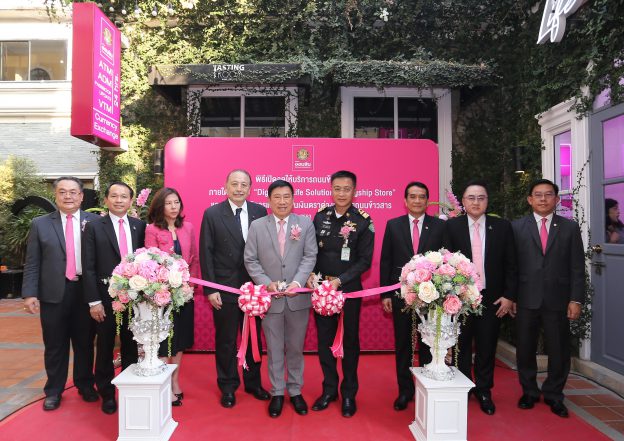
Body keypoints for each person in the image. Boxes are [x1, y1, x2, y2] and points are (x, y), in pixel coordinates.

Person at [22, 177, 99, 411]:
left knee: (85, 343)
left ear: (81, 196)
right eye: (63, 192)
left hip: (85, 292)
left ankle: (85, 385)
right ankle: (54, 390)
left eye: (73, 192)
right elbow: (32, 262)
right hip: (53, 293)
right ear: (55, 195)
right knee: (55, 344)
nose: (68, 196)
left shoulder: (95, 222)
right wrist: (29, 293)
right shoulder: (40, 224)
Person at [244, 179, 318, 418]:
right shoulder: (257, 226)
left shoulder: (305, 224)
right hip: (271, 299)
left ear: (293, 199)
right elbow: (250, 260)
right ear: (269, 200)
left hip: (298, 300)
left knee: (295, 348)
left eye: (287, 196)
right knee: (274, 349)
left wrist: (298, 282)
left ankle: (295, 391)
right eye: (277, 197)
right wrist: (267, 283)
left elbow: (310, 256)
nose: (282, 201)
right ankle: (277, 392)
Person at [512, 178, 585, 418]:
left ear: (556, 199)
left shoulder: (569, 228)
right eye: (538, 195)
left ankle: (554, 394)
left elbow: (577, 267)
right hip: (525, 298)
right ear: (529, 199)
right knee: (525, 348)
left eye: (548, 194)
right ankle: (529, 392)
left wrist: (576, 299)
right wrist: (510, 296)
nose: (543, 199)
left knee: (559, 349)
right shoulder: (516, 227)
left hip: (558, 299)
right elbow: (511, 267)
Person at [444, 180, 517, 415]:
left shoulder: (502, 227)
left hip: (492, 299)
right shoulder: (451, 227)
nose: (476, 202)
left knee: (487, 346)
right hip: (461, 299)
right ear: (463, 202)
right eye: (471, 198)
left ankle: (484, 390)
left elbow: (511, 264)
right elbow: (445, 262)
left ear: (487, 201)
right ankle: (463, 387)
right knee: (461, 346)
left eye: (481, 198)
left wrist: (509, 296)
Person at [199, 169, 270, 408]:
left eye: (244, 185)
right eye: (235, 184)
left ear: (250, 188)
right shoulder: (212, 214)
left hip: (254, 288)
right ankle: (228, 386)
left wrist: (266, 283)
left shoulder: (260, 211)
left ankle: (253, 383)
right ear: (226, 186)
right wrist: (211, 289)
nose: (239, 189)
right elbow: (206, 252)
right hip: (224, 287)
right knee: (226, 340)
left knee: (253, 339)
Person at [307, 170, 374, 417]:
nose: (342, 193)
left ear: (354, 191)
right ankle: (329, 390)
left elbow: (365, 261)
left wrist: (340, 281)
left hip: (349, 292)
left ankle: (348, 394)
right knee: (325, 342)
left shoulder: (363, 220)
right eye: (337, 188)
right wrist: (310, 274)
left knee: (349, 343)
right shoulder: (320, 216)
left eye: (346, 189)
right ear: (331, 190)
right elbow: (311, 252)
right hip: (322, 291)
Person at [379, 181, 446, 411]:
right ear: (405, 200)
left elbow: (445, 259)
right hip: (401, 296)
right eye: (413, 196)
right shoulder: (393, 225)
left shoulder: (439, 227)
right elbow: (386, 260)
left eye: (422, 197)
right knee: (403, 345)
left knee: (428, 344)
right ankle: (405, 391)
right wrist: (386, 294)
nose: (417, 200)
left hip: (432, 297)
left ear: (427, 201)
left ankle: (427, 389)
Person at [82, 182, 145, 414]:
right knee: (105, 346)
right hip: (104, 297)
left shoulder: (140, 226)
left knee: (131, 345)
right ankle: (107, 394)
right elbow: (88, 267)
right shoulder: (94, 227)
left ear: (131, 200)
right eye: (114, 196)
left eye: (124, 196)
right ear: (106, 200)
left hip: (134, 297)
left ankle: (129, 391)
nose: (119, 200)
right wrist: (94, 302)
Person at [145, 187, 199, 406]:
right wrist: (165, 288)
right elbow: (151, 262)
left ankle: (175, 381)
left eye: (176, 202)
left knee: (180, 340)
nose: (173, 207)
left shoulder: (188, 227)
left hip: (184, 294)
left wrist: (190, 286)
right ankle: (164, 384)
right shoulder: (152, 229)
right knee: (164, 341)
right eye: (168, 203)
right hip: (163, 296)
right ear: (160, 206)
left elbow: (194, 258)